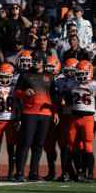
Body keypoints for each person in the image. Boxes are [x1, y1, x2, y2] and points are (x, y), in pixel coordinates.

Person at [14, 51, 56, 181]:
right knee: (25, 143)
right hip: (29, 113)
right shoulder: (25, 74)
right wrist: (24, 93)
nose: (35, 62)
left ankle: (33, 172)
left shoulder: (50, 76)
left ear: (43, 61)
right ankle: (20, 172)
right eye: (34, 60)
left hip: (45, 114)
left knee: (39, 145)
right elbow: (16, 92)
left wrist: (55, 112)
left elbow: (53, 96)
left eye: (38, 60)